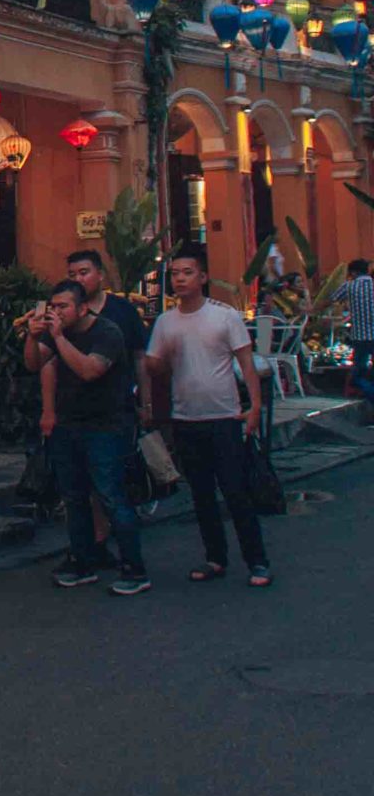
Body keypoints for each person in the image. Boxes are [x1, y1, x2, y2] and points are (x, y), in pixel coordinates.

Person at [144, 245, 270, 587]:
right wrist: (157, 363)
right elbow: (154, 367)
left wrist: (254, 408)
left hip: (225, 418)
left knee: (235, 492)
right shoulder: (166, 322)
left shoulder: (224, 316)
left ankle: (257, 561)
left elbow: (246, 363)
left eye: (187, 273)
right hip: (186, 420)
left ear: (202, 277)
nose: (180, 279)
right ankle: (215, 558)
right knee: (201, 496)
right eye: (175, 274)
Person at [27, 279, 150, 596]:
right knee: (74, 497)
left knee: (111, 496)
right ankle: (83, 563)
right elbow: (33, 363)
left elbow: (89, 370)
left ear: (82, 308)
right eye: (53, 307)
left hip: (106, 426)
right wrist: (33, 336)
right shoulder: (58, 334)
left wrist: (57, 338)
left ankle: (133, 569)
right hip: (69, 425)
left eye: (63, 306)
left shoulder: (107, 332)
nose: (57, 312)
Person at [338, 258, 374, 391]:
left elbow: (330, 300)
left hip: (360, 336)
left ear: (353, 272)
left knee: (357, 374)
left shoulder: (349, 286)